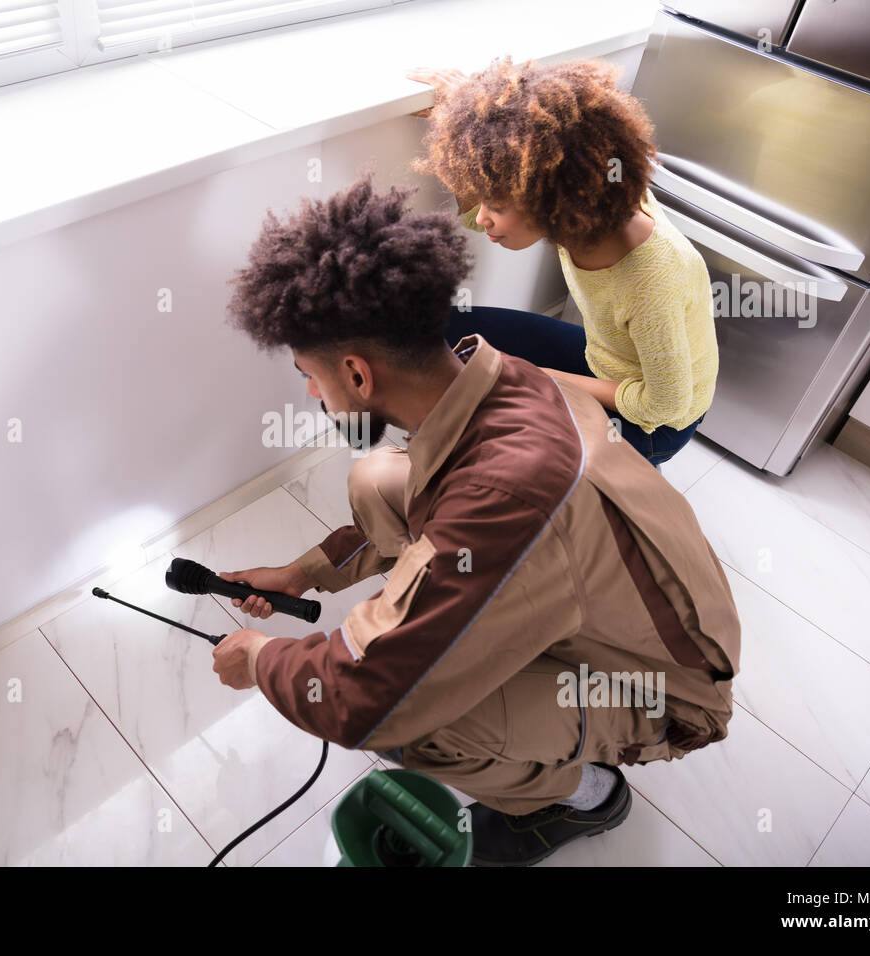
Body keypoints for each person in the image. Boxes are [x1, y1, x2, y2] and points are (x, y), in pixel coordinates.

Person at [210, 176, 740, 865]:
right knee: (378, 477)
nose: (312, 392)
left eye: (311, 376)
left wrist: (259, 658)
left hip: (656, 686)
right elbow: (434, 503)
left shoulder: (510, 497)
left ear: (359, 376)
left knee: (414, 726)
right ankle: (452, 632)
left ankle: (584, 795)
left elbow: (359, 700)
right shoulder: (498, 373)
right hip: (601, 601)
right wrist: (302, 574)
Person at [405, 59, 719, 467]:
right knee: (436, 333)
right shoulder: (592, 198)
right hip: (604, 363)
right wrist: (466, 109)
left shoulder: (652, 281)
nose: (483, 217)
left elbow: (663, 407)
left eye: (496, 204)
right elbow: (479, 214)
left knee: (492, 414)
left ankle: (609, 478)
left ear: (552, 199)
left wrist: (533, 375)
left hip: (653, 426)